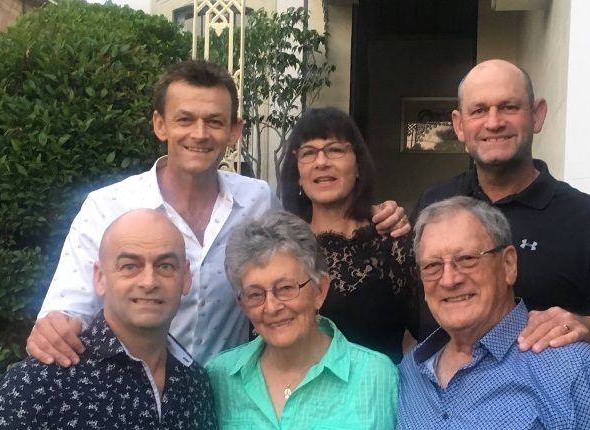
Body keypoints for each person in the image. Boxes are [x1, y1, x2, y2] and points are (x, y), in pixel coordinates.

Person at [27, 60, 408, 367]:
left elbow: (297, 250)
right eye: (184, 119)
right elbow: (66, 313)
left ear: (234, 131)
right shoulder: (107, 207)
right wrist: (54, 330)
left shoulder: (257, 200)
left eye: (214, 121)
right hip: (127, 399)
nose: (199, 133)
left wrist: (376, 211)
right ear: (160, 124)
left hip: (228, 401)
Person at [412, 59, 590, 378]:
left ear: (537, 114)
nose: (494, 122)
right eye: (479, 110)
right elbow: (414, 318)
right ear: (459, 125)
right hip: (445, 409)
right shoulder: (434, 206)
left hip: (549, 418)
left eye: (509, 107)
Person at [393, 196, 590, 430]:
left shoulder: (578, 372)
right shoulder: (409, 372)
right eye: (432, 266)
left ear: (508, 265)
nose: (449, 279)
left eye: (466, 259)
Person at [0, 209, 216, 430]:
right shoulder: (35, 386)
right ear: (100, 278)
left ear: (186, 277)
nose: (148, 281)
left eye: (165, 266)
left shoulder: (196, 385)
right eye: (130, 266)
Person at [206, 210, 397, 430]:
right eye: (255, 294)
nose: (271, 307)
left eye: (286, 288)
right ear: (242, 305)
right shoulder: (220, 378)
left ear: (320, 290)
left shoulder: (376, 377)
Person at [280, 107, 417, 363]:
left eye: (335, 150)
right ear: (298, 174)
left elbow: (427, 329)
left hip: (376, 394)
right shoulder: (281, 246)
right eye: (309, 153)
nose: (322, 162)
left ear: (357, 166)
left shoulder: (392, 241)